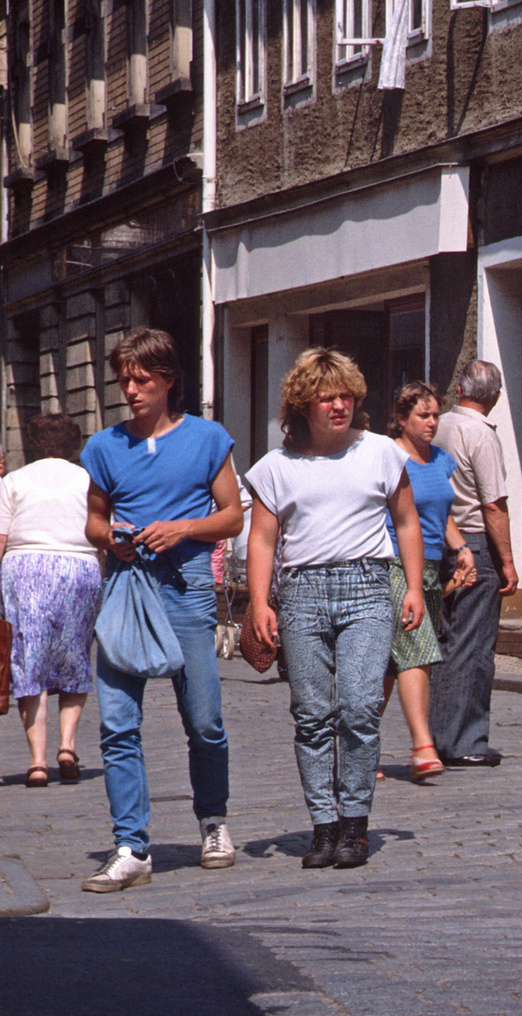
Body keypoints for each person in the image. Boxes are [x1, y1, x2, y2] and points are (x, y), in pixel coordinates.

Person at [245, 348, 426, 870]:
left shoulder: (380, 454)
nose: (338, 406)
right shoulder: (276, 468)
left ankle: (355, 825)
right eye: (327, 398)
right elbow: (261, 540)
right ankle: (323, 827)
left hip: (368, 585)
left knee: (361, 706)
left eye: (346, 396)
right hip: (302, 592)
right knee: (311, 714)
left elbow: (407, 521)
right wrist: (261, 602)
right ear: (304, 405)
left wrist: (412, 587)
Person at [80, 328, 244, 892]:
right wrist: (112, 540)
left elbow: (232, 517)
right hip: (127, 587)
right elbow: (93, 521)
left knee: (204, 720)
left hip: (187, 585)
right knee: (118, 722)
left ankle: (214, 821)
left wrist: (183, 528)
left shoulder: (207, 438)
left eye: (142, 379)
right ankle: (132, 845)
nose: (130, 389)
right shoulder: (104, 447)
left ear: (169, 380)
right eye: (124, 379)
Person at [381, 382, 477, 782]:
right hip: (395, 565)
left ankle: (352, 744)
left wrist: (461, 548)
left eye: (436, 415)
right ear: (402, 419)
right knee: (417, 648)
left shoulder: (440, 461)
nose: (432, 423)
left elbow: (443, 513)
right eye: (423, 415)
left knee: (389, 665)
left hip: (434, 567)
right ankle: (423, 745)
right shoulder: (389, 458)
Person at [0, 414, 100, 788]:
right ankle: (68, 746)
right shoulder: (89, 479)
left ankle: (38, 762)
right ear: (75, 445)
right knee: (75, 655)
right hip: (78, 567)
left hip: (24, 568)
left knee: (30, 659)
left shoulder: (14, 481)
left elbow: (0, 538)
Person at [431, 360, 519, 767]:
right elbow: (493, 504)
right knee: (473, 646)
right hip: (474, 541)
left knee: (447, 641)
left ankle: (438, 733)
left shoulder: (441, 425)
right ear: (496, 397)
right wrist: (508, 562)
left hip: (441, 541)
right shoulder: (480, 434)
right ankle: (464, 740)